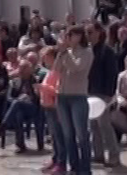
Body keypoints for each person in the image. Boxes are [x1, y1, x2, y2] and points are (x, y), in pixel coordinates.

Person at [54, 25, 94, 175]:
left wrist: (65, 53)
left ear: (79, 36)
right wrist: (61, 52)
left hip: (78, 96)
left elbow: (76, 67)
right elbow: (56, 69)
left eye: (71, 35)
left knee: (81, 134)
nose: (68, 38)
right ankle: (74, 166)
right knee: (68, 134)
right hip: (63, 96)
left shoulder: (87, 52)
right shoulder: (66, 52)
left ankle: (85, 168)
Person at [87, 22, 120, 168]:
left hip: (103, 93)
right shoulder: (88, 50)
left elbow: (112, 74)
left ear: (99, 32)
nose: (88, 35)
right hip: (90, 92)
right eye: (87, 32)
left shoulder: (107, 51)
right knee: (93, 125)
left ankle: (114, 155)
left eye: (90, 32)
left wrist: (110, 95)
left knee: (104, 125)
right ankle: (98, 154)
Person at [38, 46, 67, 174]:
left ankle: (61, 163)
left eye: (47, 57)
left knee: (59, 136)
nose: (45, 60)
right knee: (54, 136)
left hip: (55, 108)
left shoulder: (59, 72)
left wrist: (44, 88)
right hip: (47, 107)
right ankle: (55, 159)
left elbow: (58, 91)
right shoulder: (49, 71)